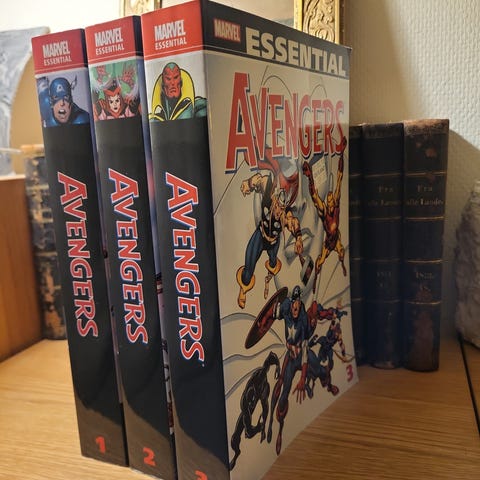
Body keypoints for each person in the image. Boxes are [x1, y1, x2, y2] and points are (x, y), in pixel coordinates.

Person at [237, 172, 303, 309]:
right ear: (275, 199)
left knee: (273, 263)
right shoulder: (268, 195)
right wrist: (248, 183)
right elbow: (259, 179)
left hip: (273, 242)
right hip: (260, 236)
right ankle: (243, 289)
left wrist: (299, 238)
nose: (279, 211)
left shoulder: (285, 214)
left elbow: (294, 223)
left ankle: (269, 277)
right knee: (248, 269)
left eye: (282, 208)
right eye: (278, 206)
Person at [266, 285, 309, 455]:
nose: (295, 306)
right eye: (293, 303)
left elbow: (304, 350)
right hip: (289, 357)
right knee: (281, 387)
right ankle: (274, 425)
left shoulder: (303, 319)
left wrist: (303, 377)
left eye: (298, 303)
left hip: (298, 356)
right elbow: (274, 314)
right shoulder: (286, 307)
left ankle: (280, 431)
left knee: (286, 390)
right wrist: (274, 310)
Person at [302, 136, 348, 292]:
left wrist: (341, 154)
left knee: (342, 255)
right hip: (328, 243)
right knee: (318, 263)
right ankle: (315, 282)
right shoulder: (324, 212)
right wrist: (310, 178)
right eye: (328, 200)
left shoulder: (337, 202)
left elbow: (340, 176)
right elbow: (314, 196)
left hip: (337, 239)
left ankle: (343, 265)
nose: (330, 201)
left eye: (331, 199)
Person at [229, 351, 280, 470]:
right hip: (246, 410)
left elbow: (265, 407)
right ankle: (236, 454)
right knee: (236, 437)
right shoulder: (258, 377)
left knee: (246, 432)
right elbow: (245, 402)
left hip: (248, 410)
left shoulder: (265, 387)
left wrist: (263, 428)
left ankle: (256, 429)